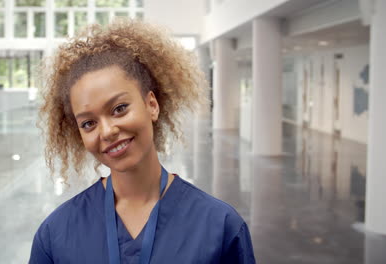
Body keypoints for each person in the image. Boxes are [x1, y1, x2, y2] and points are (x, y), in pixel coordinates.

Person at [30, 19, 256, 263]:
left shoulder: (220, 227)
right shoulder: (56, 235)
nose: (106, 131)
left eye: (119, 108)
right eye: (88, 123)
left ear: (152, 105)